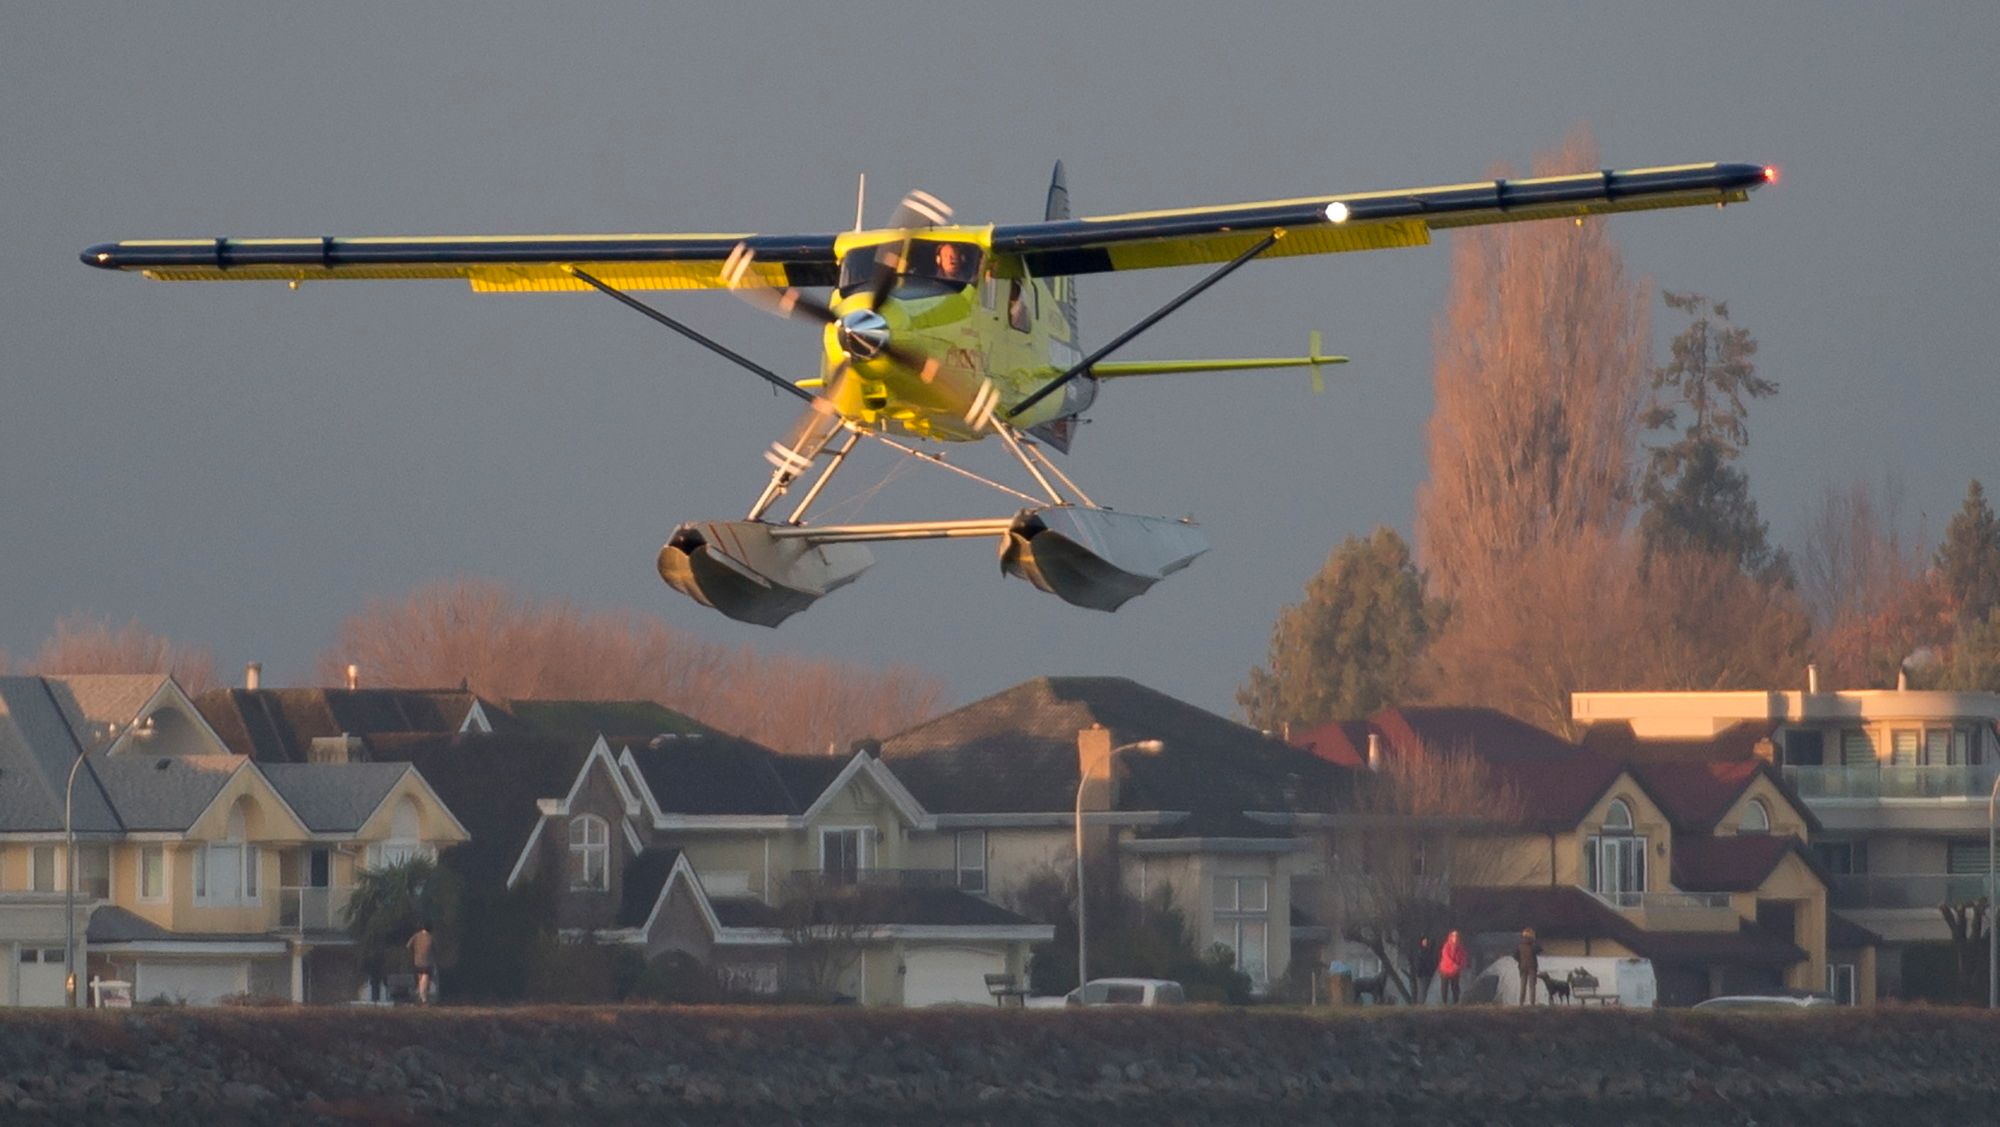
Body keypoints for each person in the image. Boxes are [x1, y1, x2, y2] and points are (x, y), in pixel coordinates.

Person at [407, 921, 435, 1005]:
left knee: (420, 980)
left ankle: (420, 997)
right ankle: (423, 999)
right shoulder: (431, 937)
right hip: (427, 962)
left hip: (417, 962)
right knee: (425, 980)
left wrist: (414, 952)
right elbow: (435, 949)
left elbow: (408, 946)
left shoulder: (415, 936)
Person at [1515, 927, 1542, 1006]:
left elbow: (1515, 955)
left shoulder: (1519, 945)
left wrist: (1520, 961)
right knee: (1532, 986)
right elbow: (1540, 949)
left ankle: (1521, 1003)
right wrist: (1535, 941)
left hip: (1522, 967)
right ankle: (1532, 1003)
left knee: (1522, 985)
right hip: (1532, 967)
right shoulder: (1532, 945)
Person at [1438, 929, 1466, 1005]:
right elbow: (1446, 957)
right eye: (1453, 936)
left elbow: (1463, 958)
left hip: (1455, 971)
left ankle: (1456, 1003)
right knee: (1444, 988)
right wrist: (1454, 965)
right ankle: (1444, 1003)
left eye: (1456, 936)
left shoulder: (1460, 948)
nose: (1455, 938)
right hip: (1445, 970)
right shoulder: (1446, 946)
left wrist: (1461, 966)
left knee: (1455, 987)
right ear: (1450, 937)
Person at [1413, 935, 1439, 1003]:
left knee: (1424, 990)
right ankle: (1420, 1003)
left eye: (1426, 941)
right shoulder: (1420, 952)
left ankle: (1421, 1003)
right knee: (1422, 990)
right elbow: (1419, 963)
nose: (1426, 942)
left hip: (1428, 974)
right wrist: (1419, 973)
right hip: (1422, 974)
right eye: (1424, 941)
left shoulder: (1427, 951)